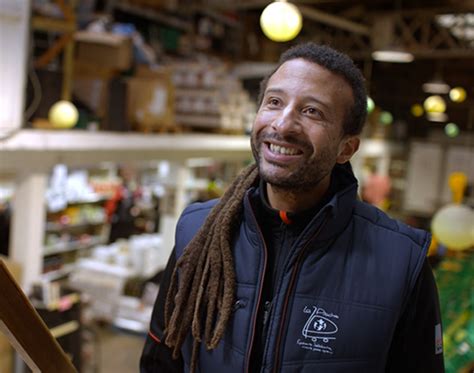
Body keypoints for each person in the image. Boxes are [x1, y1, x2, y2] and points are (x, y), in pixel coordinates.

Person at [140, 43, 444, 373]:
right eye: (274, 102)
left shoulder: (402, 262)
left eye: (312, 111)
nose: (283, 125)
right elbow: (160, 362)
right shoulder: (198, 231)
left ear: (347, 148)